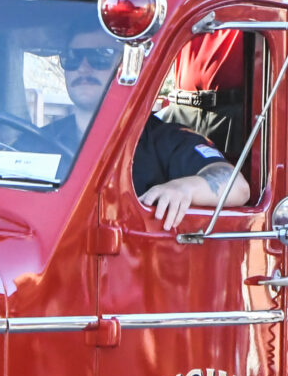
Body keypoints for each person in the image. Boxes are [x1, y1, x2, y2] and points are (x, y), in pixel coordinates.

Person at [58, 27, 248, 230]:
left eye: (100, 56)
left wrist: (184, 188)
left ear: (127, 66)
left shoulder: (165, 139)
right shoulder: (37, 141)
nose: (83, 68)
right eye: (72, 58)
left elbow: (237, 186)